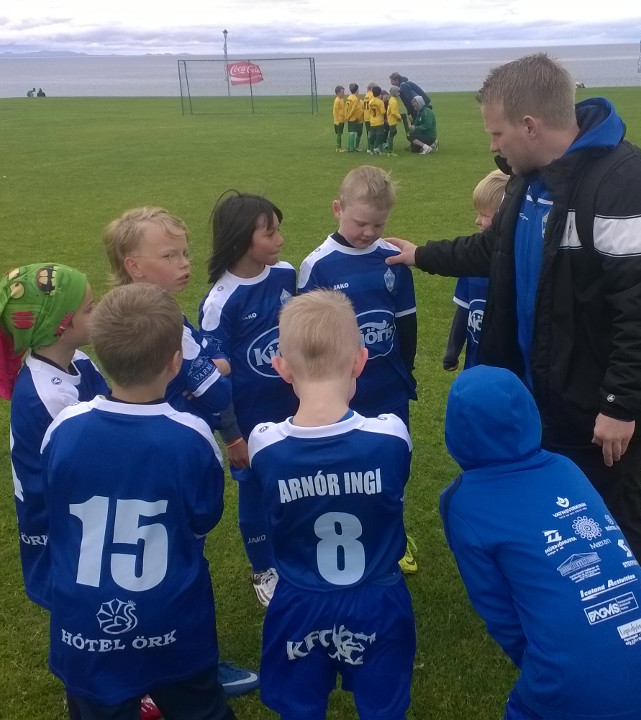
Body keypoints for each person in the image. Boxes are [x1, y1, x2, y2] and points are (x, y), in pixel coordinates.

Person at [384, 53, 641, 575]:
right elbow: (495, 250)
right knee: (562, 514)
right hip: (542, 393)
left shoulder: (624, 183)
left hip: (597, 404)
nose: (493, 146)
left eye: (497, 133)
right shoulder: (530, 178)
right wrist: (422, 254)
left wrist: (620, 403)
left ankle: (631, 613)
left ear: (530, 126)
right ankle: (569, 600)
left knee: (612, 513)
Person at [41, 282, 238, 720]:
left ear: (101, 354)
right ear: (175, 361)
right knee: (199, 708)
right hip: (172, 615)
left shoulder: (64, 427)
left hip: (84, 622)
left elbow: (55, 503)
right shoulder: (191, 435)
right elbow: (203, 518)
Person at [440, 366, 641, 720]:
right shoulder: (565, 466)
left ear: (456, 430)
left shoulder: (463, 501)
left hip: (574, 683)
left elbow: (497, 609)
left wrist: (540, 664)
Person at [102, 206, 261, 697]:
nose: (185, 263)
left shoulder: (124, 314)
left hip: (130, 454)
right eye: (170, 255)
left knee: (141, 561)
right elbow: (217, 387)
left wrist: (209, 359)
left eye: (185, 252)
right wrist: (228, 418)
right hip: (174, 455)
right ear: (134, 265)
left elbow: (207, 359)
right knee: (182, 565)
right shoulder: (163, 320)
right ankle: (193, 669)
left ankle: (136, 662)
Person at [247, 290, 416, 720]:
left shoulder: (264, 443)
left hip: (299, 599)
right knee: (383, 709)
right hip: (377, 596)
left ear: (281, 367)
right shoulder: (390, 435)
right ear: (360, 360)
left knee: (300, 708)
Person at [298, 165, 419, 575]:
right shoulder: (318, 265)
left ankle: (392, 532)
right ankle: (347, 531)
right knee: (343, 464)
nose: (368, 232)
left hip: (389, 386)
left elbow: (405, 321)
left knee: (394, 459)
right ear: (338, 209)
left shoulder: (392, 259)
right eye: (360, 222)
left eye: (378, 224)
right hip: (339, 390)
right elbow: (308, 335)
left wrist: (406, 368)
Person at [0, 262, 107, 609]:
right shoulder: (49, 396)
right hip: (59, 517)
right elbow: (95, 456)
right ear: (60, 325)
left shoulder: (78, 360)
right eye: (90, 309)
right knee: (84, 598)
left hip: (76, 500)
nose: (98, 313)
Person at [199, 192, 299, 608]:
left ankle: (294, 552)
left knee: (294, 481)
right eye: (270, 233)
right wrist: (233, 436)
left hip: (294, 408)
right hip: (249, 419)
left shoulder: (286, 275)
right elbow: (212, 377)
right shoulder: (220, 300)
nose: (280, 240)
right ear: (242, 239)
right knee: (255, 492)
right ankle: (263, 568)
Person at [442, 170, 507, 372]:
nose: (477, 220)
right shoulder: (473, 263)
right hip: (474, 368)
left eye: (484, 215)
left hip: (507, 370)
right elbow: (464, 310)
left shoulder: (516, 267)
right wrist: (452, 351)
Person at [366, 87, 387, 155]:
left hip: (372, 121)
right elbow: (382, 112)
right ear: (380, 93)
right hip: (379, 121)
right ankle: (378, 149)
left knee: (372, 136)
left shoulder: (371, 101)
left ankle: (371, 150)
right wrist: (385, 110)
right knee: (380, 135)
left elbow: (369, 110)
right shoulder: (380, 102)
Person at [344, 83, 364, 153]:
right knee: (352, 132)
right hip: (353, 117)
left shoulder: (349, 97)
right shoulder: (355, 99)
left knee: (350, 132)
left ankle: (349, 147)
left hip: (349, 117)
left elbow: (346, 108)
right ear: (356, 90)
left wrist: (346, 116)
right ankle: (352, 148)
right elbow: (353, 109)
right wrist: (349, 117)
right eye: (358, 89)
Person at [384, 89, 402, 155]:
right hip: (392, 121)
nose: (399, 94)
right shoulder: (393, 101)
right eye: (398, 92)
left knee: (393, 132)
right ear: (394, 93)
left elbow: (389, 111)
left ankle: (388, 146)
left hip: (391, 120)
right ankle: (390, 151)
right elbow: (394, 112)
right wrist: (399, 118)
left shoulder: (391, 99)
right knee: (391, 135)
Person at [332, 85, 346, 152]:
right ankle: (338, 148)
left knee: (340, 133)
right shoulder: (337, 100)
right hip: (338, 120)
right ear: (338, 93)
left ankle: (340, 147)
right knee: (339, 134)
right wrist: (336, 121)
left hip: (342, 119)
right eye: (342, 92)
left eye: (343, 92)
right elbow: (335, 111)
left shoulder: (342, 100)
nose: (343, 93)